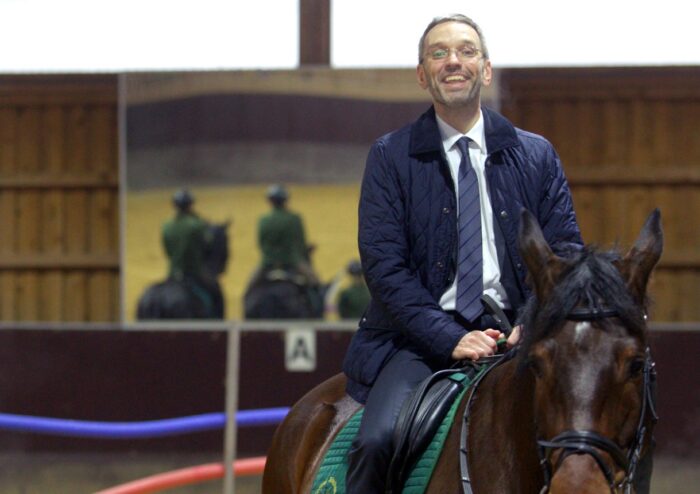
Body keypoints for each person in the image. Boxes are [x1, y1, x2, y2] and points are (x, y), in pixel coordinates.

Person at [342, 14, 585, 492]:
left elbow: (566, 255)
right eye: (439, 53)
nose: (453, 61)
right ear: (422, 74)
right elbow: (384, 268)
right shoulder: (389, 157)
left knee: (595, 430)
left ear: (486, 70)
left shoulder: (536, 155)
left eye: (466, 51)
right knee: (376, 444)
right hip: (416, 342)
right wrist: (449, 336)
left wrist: (533, 321)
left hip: (522, 336)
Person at [162, 188, 224, 318]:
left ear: (175, 206)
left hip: (173, 273)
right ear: (190, 205)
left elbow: (167, 251)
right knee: (217, 294)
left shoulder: (166, 226)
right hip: (193, 272)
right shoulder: (197, 225)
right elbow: (207, 246)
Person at [256, 184, 318, 286]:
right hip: (292, 261)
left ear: (270, 201)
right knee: (315, 282)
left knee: (248, 290)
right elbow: (300, 243)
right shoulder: (294, 218)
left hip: (268, 262)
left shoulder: (263, 220)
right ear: (285, 200)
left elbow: (261, 243)